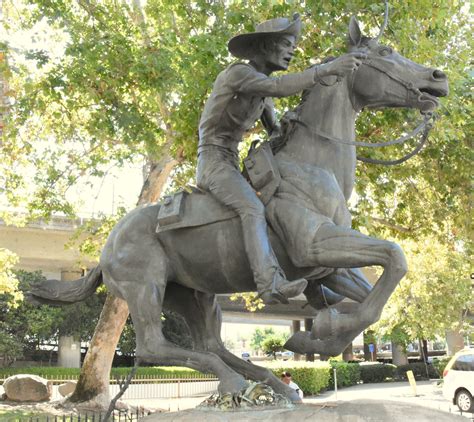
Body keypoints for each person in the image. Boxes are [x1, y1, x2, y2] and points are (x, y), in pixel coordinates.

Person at [197, 14, 365, 304]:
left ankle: (312, 281)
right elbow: (278, 87)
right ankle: (268, 282)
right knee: (251, 207)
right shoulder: (239, 74)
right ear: (265, 46)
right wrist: (326, 70)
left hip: (234, 162)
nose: (292, 50)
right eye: (286, 44)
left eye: (294, 45)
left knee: (284, 205)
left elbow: (275, 130)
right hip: (213, 161)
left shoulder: (262, 93)